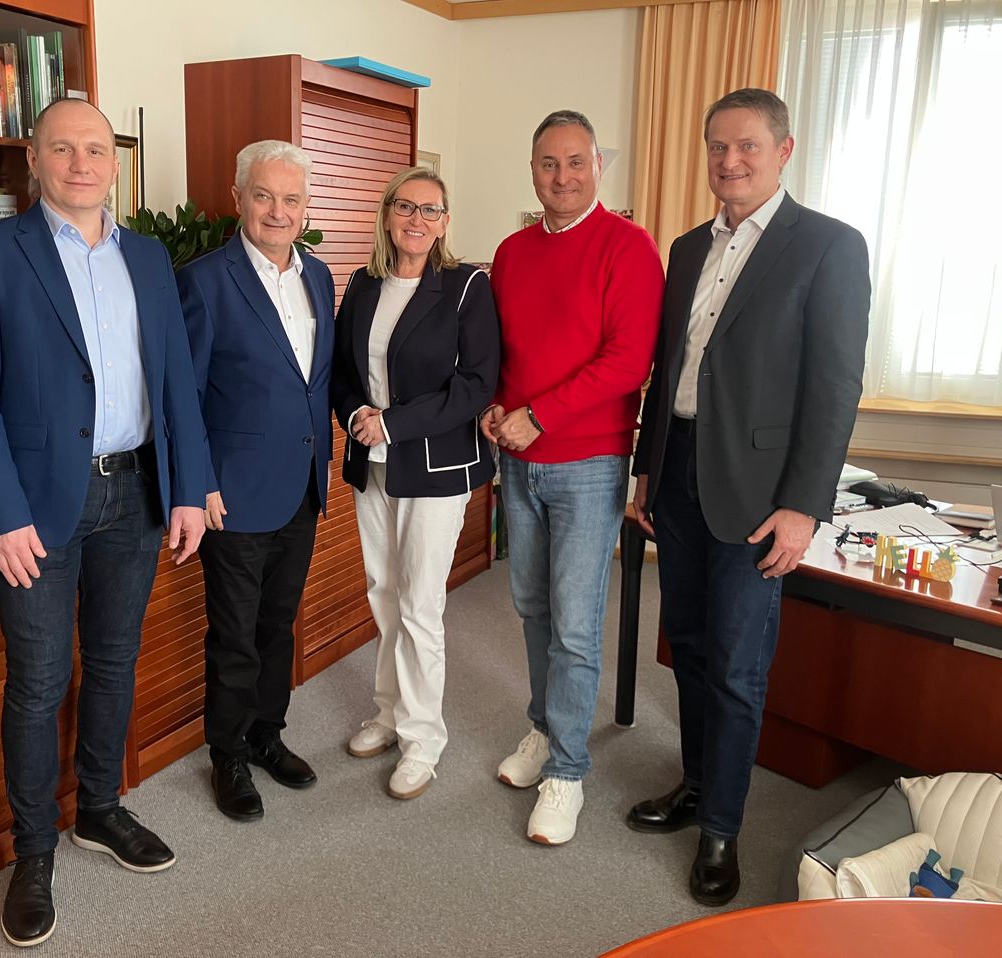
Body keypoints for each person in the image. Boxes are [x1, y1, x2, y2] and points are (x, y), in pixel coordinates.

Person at [0, 98, 208, 948]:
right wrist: (2, 514)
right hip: (36, 514)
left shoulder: (148, 257)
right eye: (65, 148)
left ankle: (99, 809)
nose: (83, 162)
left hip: (133, 496)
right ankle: (32, 850)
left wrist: (188, 488)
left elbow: (174, 387)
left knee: (115, 662)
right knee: (37, 680)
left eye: (96, 148)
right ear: (36, 158)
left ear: (112, 161)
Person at [626, 88, 870, 906]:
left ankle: (723, 830)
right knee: (689, 645)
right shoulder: (688, 246)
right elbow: (669, 370)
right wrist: (646, 466)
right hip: (682, 468)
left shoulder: (829, 247)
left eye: (746, 148)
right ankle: (697, 784)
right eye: (716, 148)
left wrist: (805, 506)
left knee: (737, 663)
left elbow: (835, 389)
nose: (728, 162)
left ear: (784, 150)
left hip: (761, 493)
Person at [485, 110, 664, 845]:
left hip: (588, 462)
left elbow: (630, 360)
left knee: (577, 623)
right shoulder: (511, 250)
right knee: (530, 606)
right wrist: (497, 404)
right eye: (548, 164)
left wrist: (541, 415)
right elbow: (498, 345)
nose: (562, 177)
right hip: (517, 457)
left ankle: (567, 769)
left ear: (598, 166)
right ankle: (543, 726)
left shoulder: (629, 247)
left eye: (575, 163)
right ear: (532, 171)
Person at [176, 140, 335, 823]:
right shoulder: (205, 280)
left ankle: (268, 736)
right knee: (234, 634)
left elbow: (316, 380)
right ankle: (229, 754)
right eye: (264, 195)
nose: (278, 210)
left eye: (291, 199)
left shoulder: (321, 277)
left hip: (301, 483)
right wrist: (198, 479)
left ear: (305, 209)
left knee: (278, 626)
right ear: (239, 198)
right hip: (232, 493)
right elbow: (181, 392)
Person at [331, 167, 499, 800]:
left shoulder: (466, 287)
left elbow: (476, 385)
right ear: (388, 214)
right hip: (372, 464)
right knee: (384, 590)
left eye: (431, 211)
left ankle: (423, 736)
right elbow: (342, 372)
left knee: (421, 603)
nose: (417, 221)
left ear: (445, 222)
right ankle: (388, 710)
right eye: (407, 208)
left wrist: (392, 424)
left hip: (434, 464)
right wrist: (356, 417)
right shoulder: (364, 284)